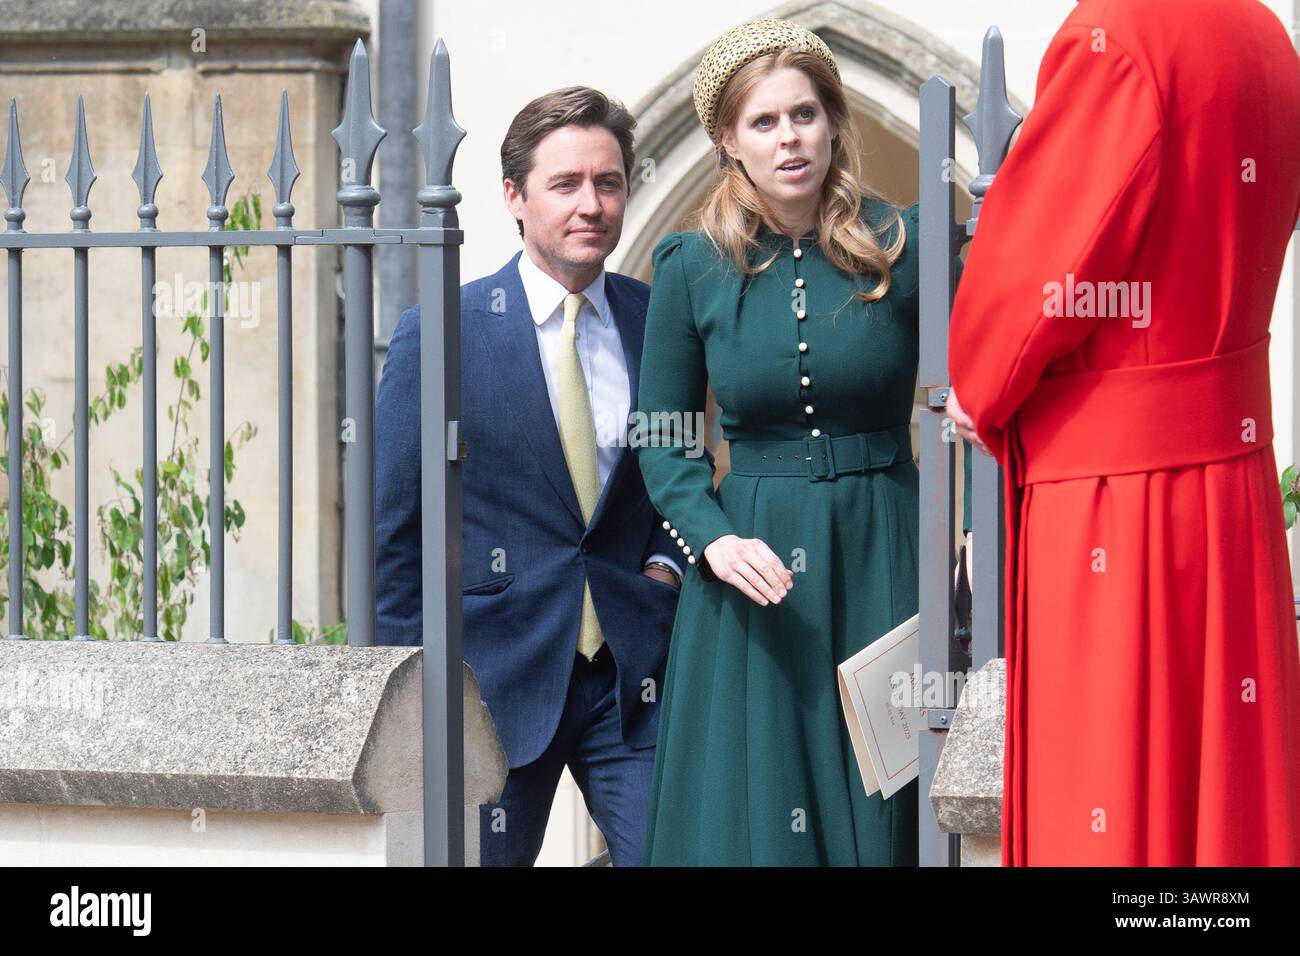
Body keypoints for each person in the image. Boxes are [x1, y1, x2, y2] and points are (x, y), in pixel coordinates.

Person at [946, 0, 1300, 865]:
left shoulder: (1118, 35)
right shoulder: (1264, 34)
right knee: (1227, 801)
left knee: (1109, 794)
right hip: (1231, 477)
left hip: (1118, 494)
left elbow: (1043, 267)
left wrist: (979, 378)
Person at [634, 17, 963, 865]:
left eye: (805, 115)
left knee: (887, 795)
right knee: (760, 809)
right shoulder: (688, 266)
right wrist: (713, 544)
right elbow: (664, 439)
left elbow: (989, 367)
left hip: (886, 544)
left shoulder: (909, 240)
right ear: (728, 141)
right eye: (765, 122)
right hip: (753, 564)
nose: (790, 139)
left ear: (832, 121)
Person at [375, 87, 685, 866]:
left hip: (632, 684)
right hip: (489, 691)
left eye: (608, 183)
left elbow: (682, 469)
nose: (593, 204)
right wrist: (408, 697)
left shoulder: (658, 322)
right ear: (514, 197)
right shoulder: (442, 332)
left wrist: (668, 565)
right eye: (566, 184)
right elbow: (395, 536)